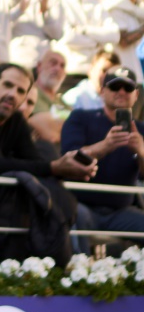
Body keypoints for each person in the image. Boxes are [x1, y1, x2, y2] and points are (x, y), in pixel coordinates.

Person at [0, 62, 95, 257]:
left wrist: (65, 167)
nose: (12, 94)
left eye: (20, 91)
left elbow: (35, 160)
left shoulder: (15, 120)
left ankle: (50, 266)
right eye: (7, 85)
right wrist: (56, 167)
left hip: (1, 206)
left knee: (51, 191)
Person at [61, 67, 144, 238]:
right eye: (115, 87)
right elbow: (68, 160)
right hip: (81, 206)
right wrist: (104, 146)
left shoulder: (141, 130)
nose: (121, 92)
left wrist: (141, 152)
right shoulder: (80, 117)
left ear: (136, 95)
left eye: (127, 88)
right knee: (73, 217)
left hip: (122, 212)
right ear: (102, 91)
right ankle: (78, 265)